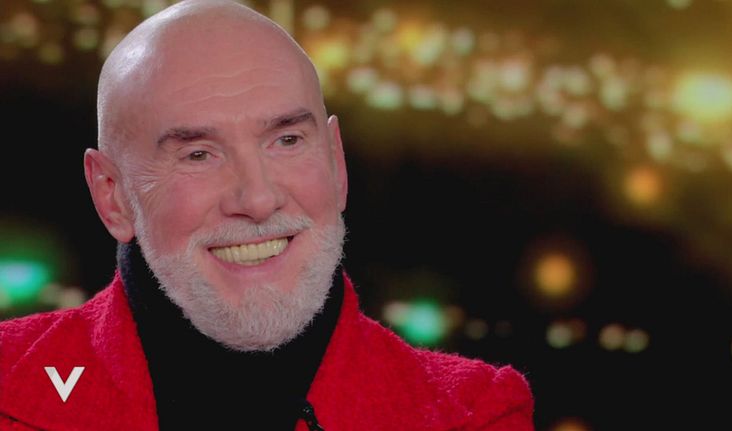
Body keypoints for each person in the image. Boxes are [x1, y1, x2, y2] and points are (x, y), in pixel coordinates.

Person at [0, 1, 534, 429]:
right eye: (198, 154)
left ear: (336, 162)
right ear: (112, 196)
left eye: (287, 140)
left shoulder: (475, 415)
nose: (257, 200)